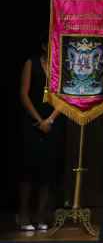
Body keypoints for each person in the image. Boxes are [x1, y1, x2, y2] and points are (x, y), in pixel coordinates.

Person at [17, 35, 63, 232]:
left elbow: (63, 97)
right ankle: (23, 215)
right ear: (44, 46)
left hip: (52, 123)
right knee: (29, 169)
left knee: (47, 171)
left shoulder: (60, 67)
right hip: (33, 123)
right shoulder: (31, 63)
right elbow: (24, 94)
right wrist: (39, 120)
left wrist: (50, 120)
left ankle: (40, 215)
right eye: (51, 43)